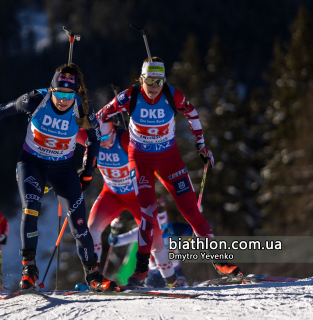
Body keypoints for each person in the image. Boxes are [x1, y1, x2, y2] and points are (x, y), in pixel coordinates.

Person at [0, 63, 117, 292]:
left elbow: (94, 139)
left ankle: (93, 275)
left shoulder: (81, 109)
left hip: (63, 169)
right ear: (51, 90)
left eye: (69, 95)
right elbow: (4, 109)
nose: (64, 100)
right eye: (59, 94)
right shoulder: (36, 100)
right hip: (32, 164)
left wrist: (87, 171)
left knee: (80, 224)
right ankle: (29, 270)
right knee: (31, 208)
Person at [97, 57, 243, 286]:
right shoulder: (130, 95)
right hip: (141, 161)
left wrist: (201, 145)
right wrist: (103, 139)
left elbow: (192, 114)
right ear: (141, 79)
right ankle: (141, 272)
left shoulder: (172, 95)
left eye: (159, 81)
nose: (154, 87)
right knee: (148, 212)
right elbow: (103, 114)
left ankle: (220, 262)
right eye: (150, 81)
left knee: (191, 210)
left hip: (169, 160)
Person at [76, 121, 177, 285]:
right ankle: (93, 279)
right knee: (92, 229)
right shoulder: (91, 138)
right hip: (111, 195)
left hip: (137, 196)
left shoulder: (125, 140)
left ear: (114, 131)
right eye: (99, 138)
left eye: (107, 137)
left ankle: (172, 281)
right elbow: (66, 130)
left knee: (155, 240)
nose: (103, 142)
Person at [110, 196, 192, 287]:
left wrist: (194, 214)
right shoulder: (142, 231)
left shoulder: (173, 228)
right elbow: (115, 242)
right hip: (154, 274)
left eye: (164, 226)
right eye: (158, 227)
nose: (161, 230)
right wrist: (114, 229)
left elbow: (193, 231)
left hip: (175, 271)